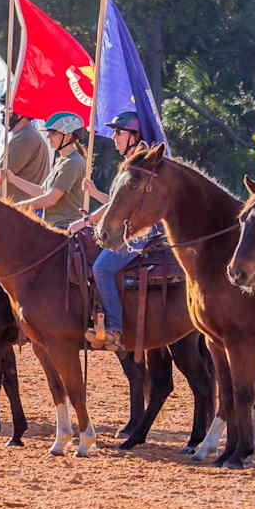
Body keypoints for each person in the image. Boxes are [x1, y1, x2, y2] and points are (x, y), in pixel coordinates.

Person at [69, 111, 160, 352]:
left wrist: (86, 221)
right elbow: (115, 202)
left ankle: (114, 328)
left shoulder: (139, 160)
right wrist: (95, 193)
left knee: (101, 268)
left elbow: (116, 206)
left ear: (133, 136)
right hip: (130, 228)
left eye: (119, 132)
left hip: (142, 231)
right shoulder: (133, 159)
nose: (114, 137)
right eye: (114, 132)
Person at [0, 111, 87, 230]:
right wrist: (14, 179)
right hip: (53, 226)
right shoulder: (63, 160)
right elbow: (43, 191)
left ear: (67, 135)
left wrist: (15, 207)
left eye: (53, 133)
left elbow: (50, 199)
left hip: (64, 228)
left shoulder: (72, 163)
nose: (48, 137)